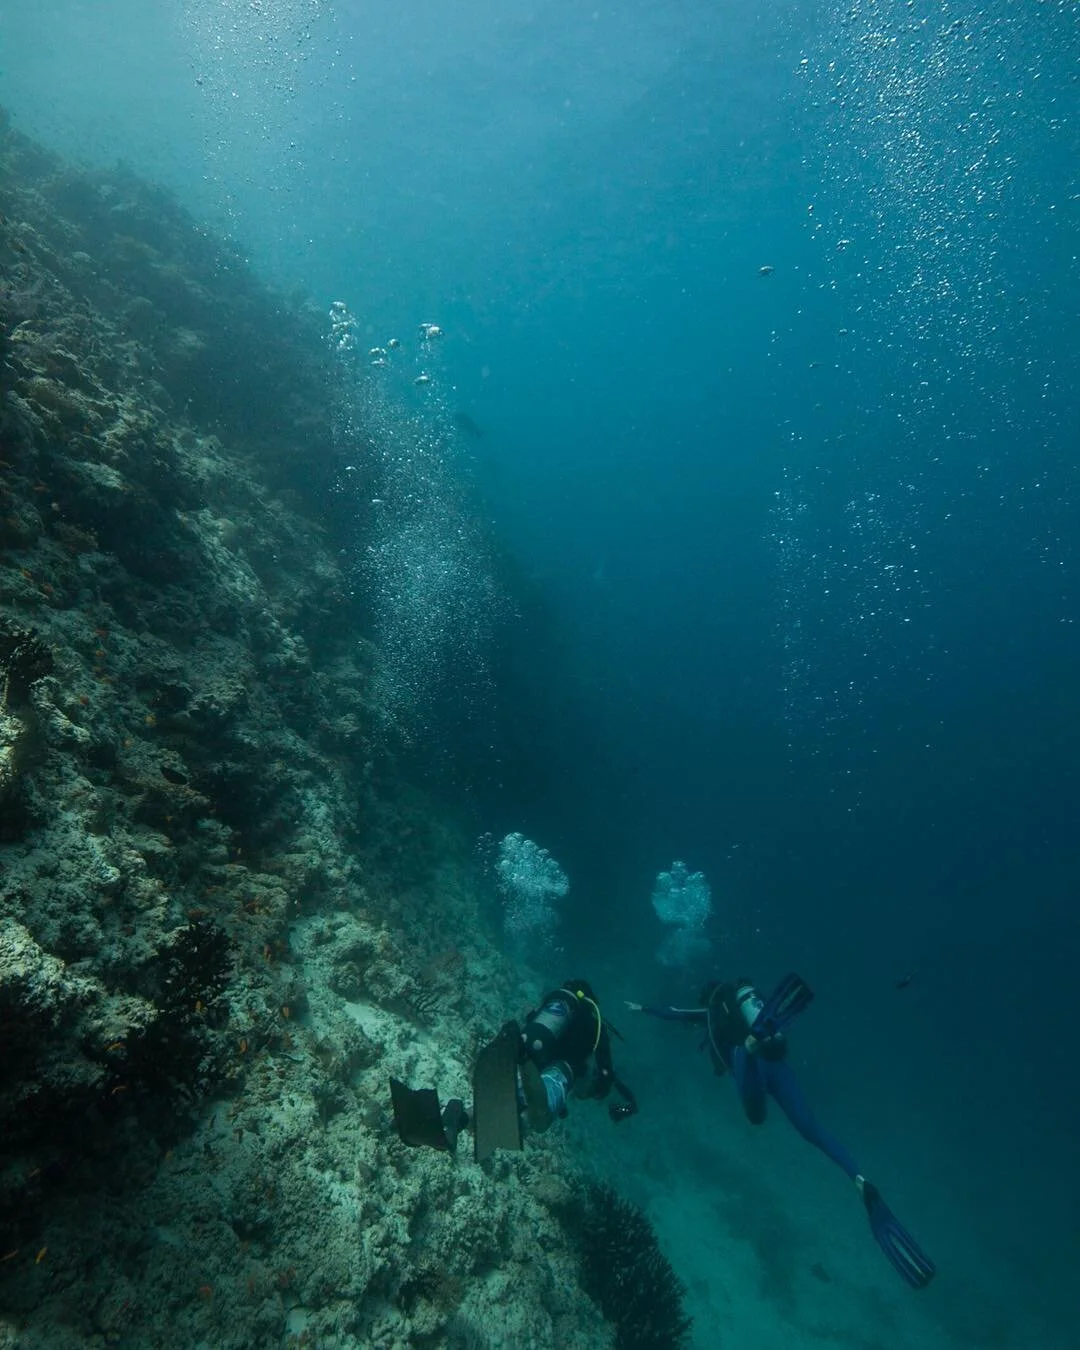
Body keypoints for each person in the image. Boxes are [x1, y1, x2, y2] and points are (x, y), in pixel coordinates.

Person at [627, 973, 935, 1289]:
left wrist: (643, 1008)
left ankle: (748, 1048)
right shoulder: (741, 1004)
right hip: (777, 1066)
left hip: (750, 1063)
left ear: (709, 1000)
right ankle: (859, 1179)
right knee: (811, 1130)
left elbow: (675, 1013)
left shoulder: (712, 1014)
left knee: (756, 1116)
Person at [390, 977, 637, 1163]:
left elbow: (533, 1022)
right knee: (538, 1115)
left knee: (507, 1103)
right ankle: (516, 1102)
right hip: (562, 1069)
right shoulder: (595, 1024)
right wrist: (595, 1087)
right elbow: (604, 1079)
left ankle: (457, 1115)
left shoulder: (556, 1007)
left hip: (530, 1057)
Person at [517, 978, 638, 1132]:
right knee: (560, 1076)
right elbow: (605, 1072)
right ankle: (531, 1113)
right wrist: (596, 1090)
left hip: (531, 1050)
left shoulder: (554, 1003)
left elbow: (529, 1020)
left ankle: (512, 1080)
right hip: (562, 1066)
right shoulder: (594, 1021)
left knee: (528, 1063)